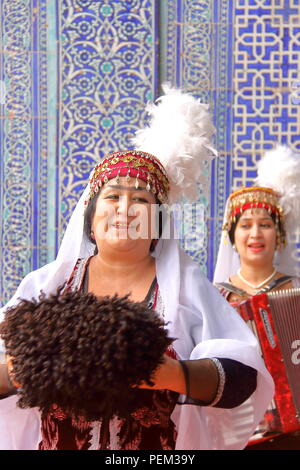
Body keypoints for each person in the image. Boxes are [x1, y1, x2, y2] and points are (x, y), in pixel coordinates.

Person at [0, 86, 274, 450]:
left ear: (158, 222)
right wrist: (17, 372)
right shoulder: (47, 285)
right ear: (91, 217)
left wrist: (177, 375)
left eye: (141, 200)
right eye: (113, 197)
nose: (125, 208)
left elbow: (241, 378)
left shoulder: (186, 287)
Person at [214, 144, 300, 449]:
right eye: (246, 226)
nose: (255, 234)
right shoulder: (216, 297)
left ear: (279, 236)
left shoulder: (296, 290)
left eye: (265, 225)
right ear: (232, 237)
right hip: (238, 429)